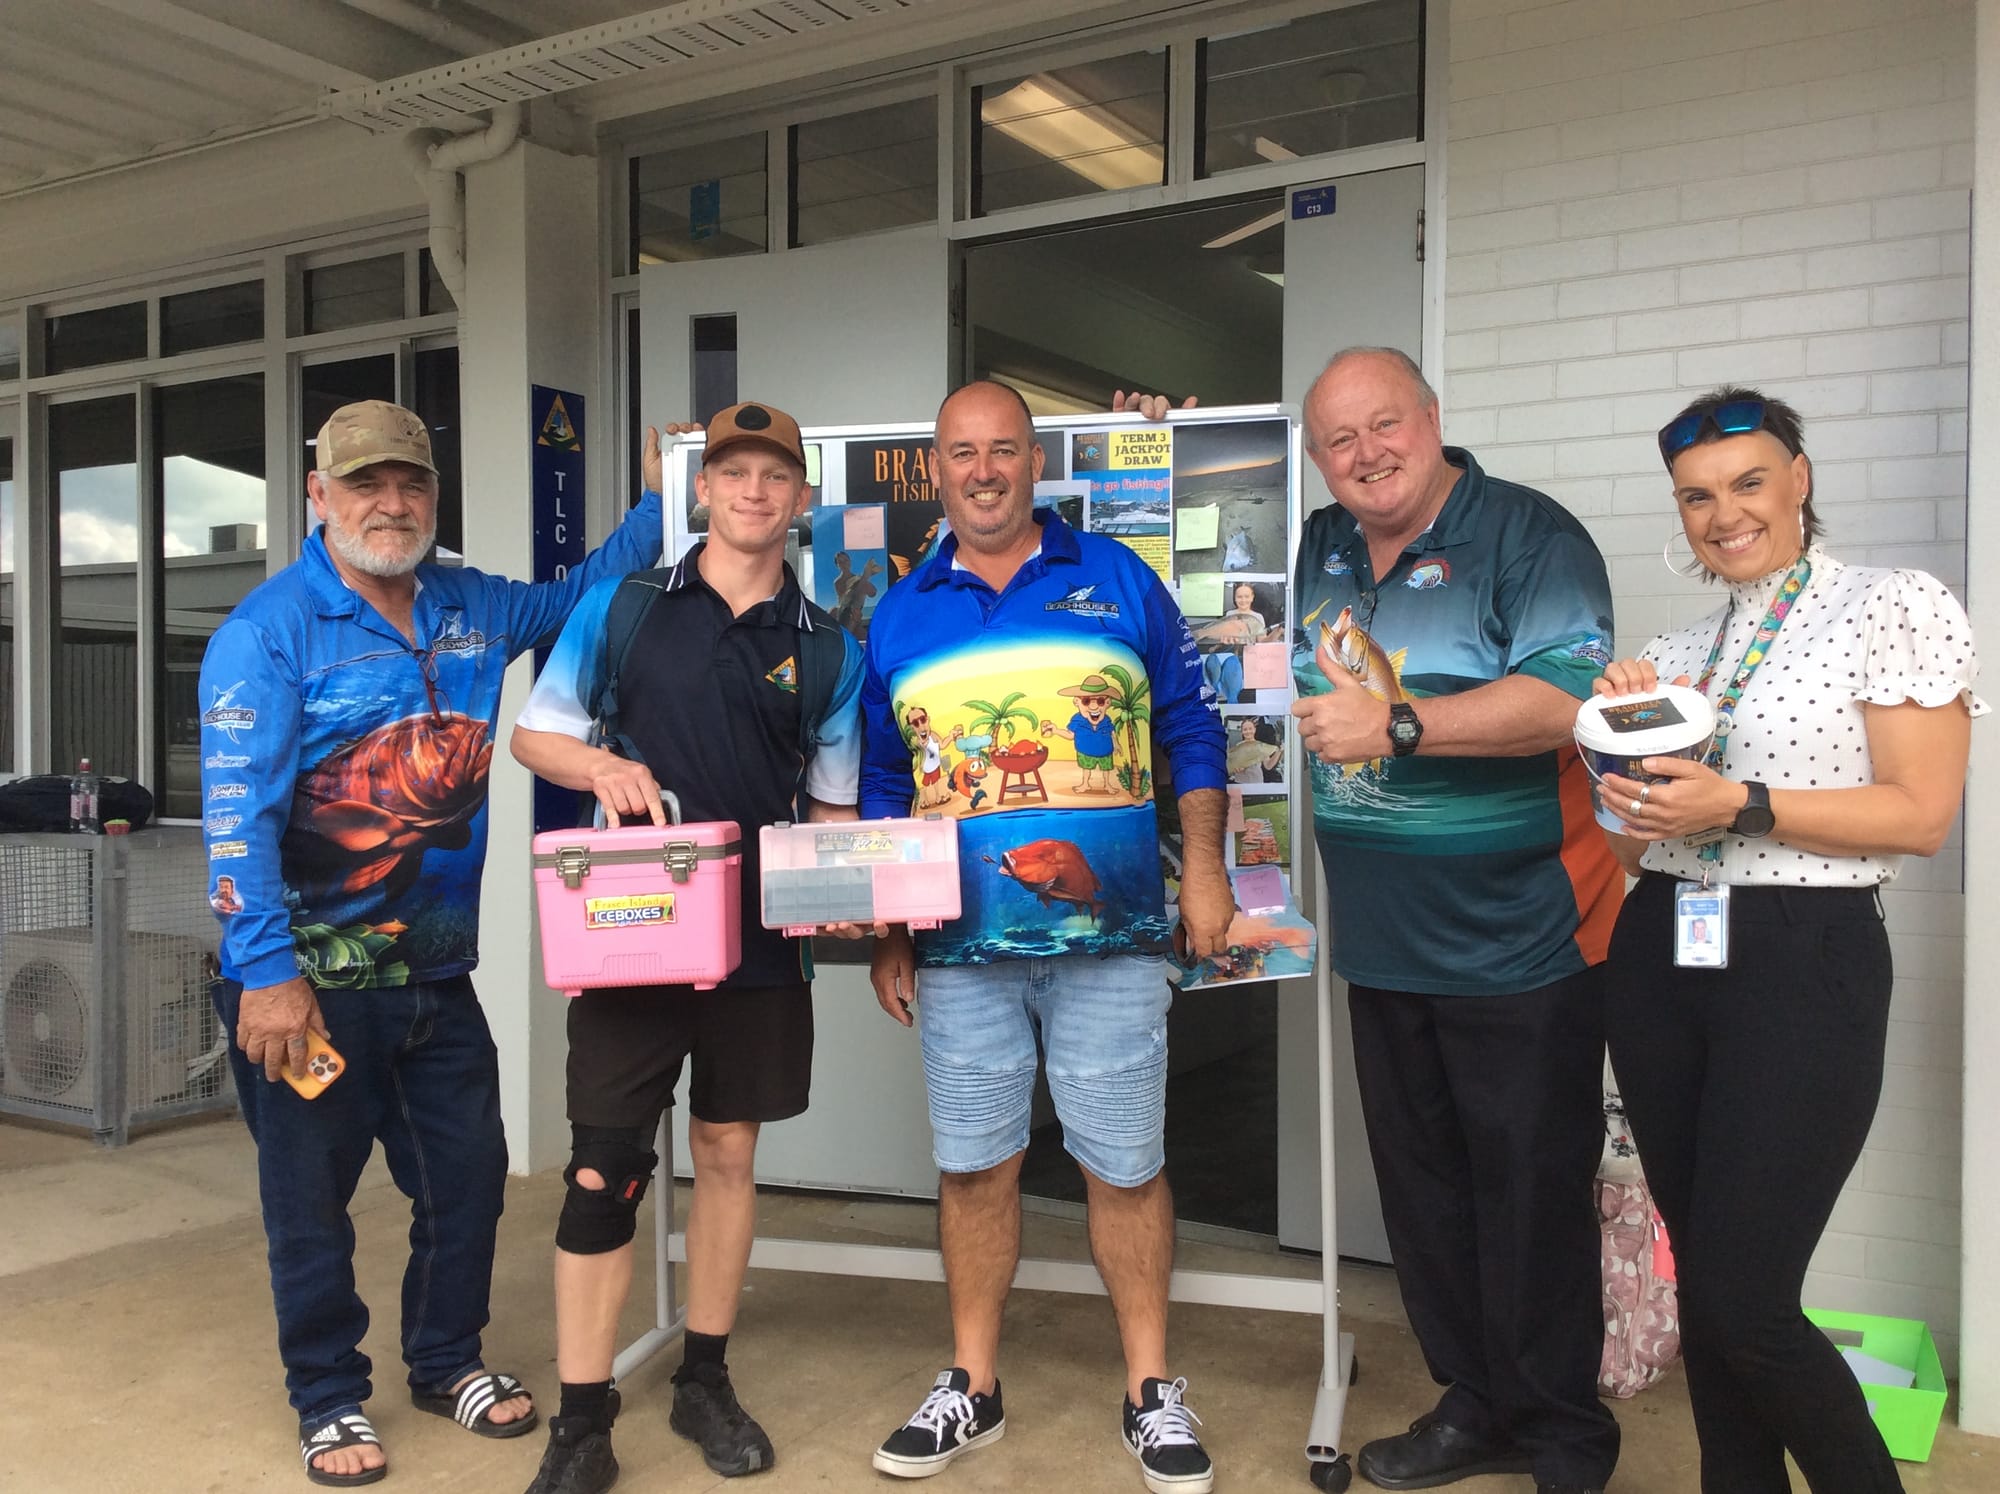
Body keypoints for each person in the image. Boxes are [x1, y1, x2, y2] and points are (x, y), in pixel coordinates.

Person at [200, 399, 666, 1486]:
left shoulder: (467, 604)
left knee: (468, 1179)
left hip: (435, 975)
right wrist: (265, 975)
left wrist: (662, 496)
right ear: (318, 496)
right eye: (364, 485)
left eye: (409, 483)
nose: (391, 504)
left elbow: (580, 598)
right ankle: (327, 1396)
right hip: (307, 986)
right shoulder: (266, 633)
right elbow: (236, 821)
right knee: (309, 1204)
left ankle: (444, 1359)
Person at [1592, 387, 1982, 1494]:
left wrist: (1739, 802)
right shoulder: (1673, 652)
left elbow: (1918, 814)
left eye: (1747, 482)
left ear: (1797, 479)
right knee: (1709, 1286)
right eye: (1696, 497)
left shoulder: (1885, 605)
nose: (1723, 514)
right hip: (1662, 953)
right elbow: (1636, 850)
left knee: (1743, 1300)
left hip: (1801, 961)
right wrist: (1614, 754)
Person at [860, 380, 1233, 1494]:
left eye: (1004, 450)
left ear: (1035, 463)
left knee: (1122, 1164)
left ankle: (1150, 1389)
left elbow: (1188, 724)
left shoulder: (1116, 577)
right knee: (975, 1165)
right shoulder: (899, 609)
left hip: (1110, 941)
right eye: (961, 453)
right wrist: (889, 933)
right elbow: (885, 779)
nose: (983, 470)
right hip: (958, 952)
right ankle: (971, 1383)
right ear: (936, 470)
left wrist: (1203, 866)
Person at [506, 399, 868, 1494]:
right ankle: (580, 1421)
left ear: (800, 501)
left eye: (775, 476)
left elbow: (837, 811)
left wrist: (853, 895)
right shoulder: (621, 609)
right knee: (600, 1168)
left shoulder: (826, 648)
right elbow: (535, 732)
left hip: (759, 944)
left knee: (726, 1155)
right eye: (733, 472)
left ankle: (702, 1375)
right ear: (699, 489)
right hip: (630, 930)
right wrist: (598, 771)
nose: (754, 491)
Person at [1289, 348, 1621, 1494]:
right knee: (1425, 1193)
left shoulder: (1527, 535)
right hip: (1383, 944)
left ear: (1431, 420)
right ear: (1315, 457)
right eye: (1339, 439)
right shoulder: (1321, 546)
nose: (1366, 454)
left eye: (1385, 425)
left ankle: (1565, 1435)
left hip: (1519, 939)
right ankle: (1472, 1402)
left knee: (1529, 1192)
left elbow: (1566, 700)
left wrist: (1400, 728)